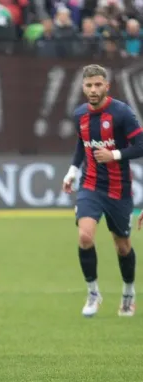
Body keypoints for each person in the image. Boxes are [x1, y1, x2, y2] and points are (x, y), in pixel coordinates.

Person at [62, 64, 143, 318]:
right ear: (83, 87)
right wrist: (73, 171)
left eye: (98, 85)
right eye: (89, 85)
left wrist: (115, 154)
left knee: (122, 246)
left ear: (107, 86)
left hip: (119, 189)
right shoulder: (80, 115)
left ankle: (129, 292)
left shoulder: (122, 113)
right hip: (90, 185)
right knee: (85, 237)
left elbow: (140, 145)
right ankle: (93, 292)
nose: (93, 89)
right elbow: (81, 144)